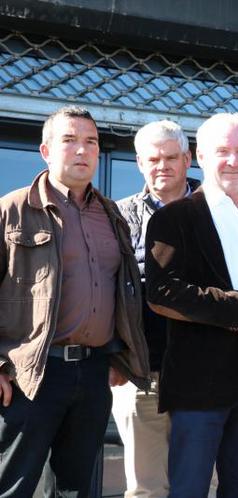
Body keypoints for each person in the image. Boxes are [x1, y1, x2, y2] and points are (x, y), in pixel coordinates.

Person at [0, 105, 150, 496]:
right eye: (69, 140)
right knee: (12, 486)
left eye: (91, 142)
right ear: (46, 151)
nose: (82, 150)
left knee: (76, 489)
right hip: (29, 375)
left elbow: (120, 291)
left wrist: (119, 355)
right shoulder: (13, 209)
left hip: (92, 374)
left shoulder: (111, 214)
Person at [145, 112, 238, 498]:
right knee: (190, 488)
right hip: (198, 375)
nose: (233, 160)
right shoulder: (176, 217)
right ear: (200, 156)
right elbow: (163, 293)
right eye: (223, 151)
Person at [111, 120, 202, 497]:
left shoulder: (216, 211)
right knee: (145, 488)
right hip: (139, 372)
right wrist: (114, 356)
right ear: (139, 163)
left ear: (188, 158)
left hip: (203, 374)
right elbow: (105, 291)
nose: (162, 165)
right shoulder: (118, 216)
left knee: (202, 484)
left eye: (170, 157)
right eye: (153, 159)